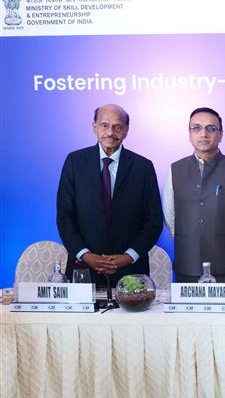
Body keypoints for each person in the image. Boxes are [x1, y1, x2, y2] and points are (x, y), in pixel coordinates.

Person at [56, 104, 163, 285]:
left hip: (130, 271)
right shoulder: (75, 162)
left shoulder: (143, 167)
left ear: (126, 131)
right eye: (104, 125)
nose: (110, 132)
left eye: (117, 127)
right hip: (83, 269)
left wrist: (129, 256)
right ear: (94, 127)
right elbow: (65, 216)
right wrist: (85, 255)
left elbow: (153, 220)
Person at [163, 107, 225, 283]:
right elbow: (170, 217)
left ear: (221, 135)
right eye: (196, 128)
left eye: (211, 128)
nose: (204, 134)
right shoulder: (174, 170)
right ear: (189, 134)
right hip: (187, 264)